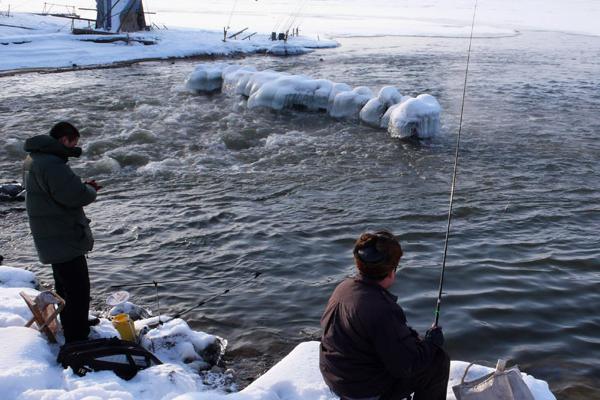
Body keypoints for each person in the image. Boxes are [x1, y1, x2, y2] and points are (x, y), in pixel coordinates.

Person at [319, 230, 450, 400]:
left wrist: (412, 339)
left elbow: (374, 335)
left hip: (336, 379)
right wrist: (431, 344)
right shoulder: (382, 309)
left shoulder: (343, 288)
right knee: (437, 361)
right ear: (391, 271)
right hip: (361, 390)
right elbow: (406, 366)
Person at [23, 121, 101, 343]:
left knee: (64, 284)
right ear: (64, 140)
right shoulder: (52, 164)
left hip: (50, 232)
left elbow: (57, 191)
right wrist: (90, 190)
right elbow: (75, 196)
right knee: (77, 287)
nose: (73, 147)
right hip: (62, 234)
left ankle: (73, 322)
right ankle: (78, 335)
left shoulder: (36, 158)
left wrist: (79, 187)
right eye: (73, 142)